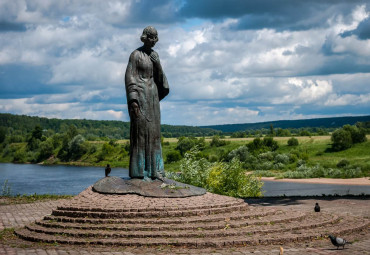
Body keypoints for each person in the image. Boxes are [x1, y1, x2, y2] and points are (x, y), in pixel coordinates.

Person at [125, 26, 169, 180]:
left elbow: (161, 80)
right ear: (145, 37)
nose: (155, 41)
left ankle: (156, 171)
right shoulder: (135, 55)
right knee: (141, 134)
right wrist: (133, 100)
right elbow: (130, 77)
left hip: (153, 99)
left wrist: (158, 65)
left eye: (156, 38)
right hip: (140, 98)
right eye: (152, 37)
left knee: (155, 134)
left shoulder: (155, 56)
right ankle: (139, 172)